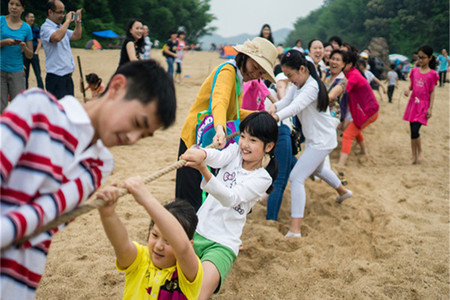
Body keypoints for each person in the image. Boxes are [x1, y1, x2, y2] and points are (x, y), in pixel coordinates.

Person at [0, 59, 177, 300]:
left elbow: (47, 218)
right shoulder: (38, 107)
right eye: (137, 123)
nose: (133, 139)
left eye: (143, 136)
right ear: (116, 87)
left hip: (19, 278)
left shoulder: (100, 164)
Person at [180, 111, 278, 299]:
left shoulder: (262, 178)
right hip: (196, 231)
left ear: (269, 146)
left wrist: (203, 169)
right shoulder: (234, 153)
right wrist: (201, 153)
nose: (244, 144)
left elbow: (231, 198)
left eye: (253, 140)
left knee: (198, 295)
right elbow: (216, 157)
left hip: (223, 245)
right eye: (243, 136)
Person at [175, 37, 278, 212]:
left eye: (261, 73)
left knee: (200, 196)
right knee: (189, 201)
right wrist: (220, 128)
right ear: (245, 58)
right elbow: (219, 102)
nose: (255, 74)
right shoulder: (228, 72)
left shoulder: (238, 79)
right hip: (198, 139)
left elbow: (234, 114)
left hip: (212, 139)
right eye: (255, 67)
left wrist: (259, 115)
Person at [267, 50, 352, 237]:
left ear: (303, 69)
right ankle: (343, 191)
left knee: (296, 177)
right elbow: (287, 101)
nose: (290, 80)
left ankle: (295, 230)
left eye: (290, 75)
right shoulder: (298, 85)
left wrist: (275, 116)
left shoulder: (312, 87)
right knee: (320, 170)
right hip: (318, 138)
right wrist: (274, 106)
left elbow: (296, 107)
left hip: (322, 140)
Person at [97, 178, 202, 299]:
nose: (158, 246)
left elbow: (183, 249)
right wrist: (108, 214)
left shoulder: (188, 275)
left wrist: (147, 199)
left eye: (168, 241)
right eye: (155, 235)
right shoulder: (140, 259)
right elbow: (122, 245)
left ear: (191, 244)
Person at [337, 50, 379, 166]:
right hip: (364, 111)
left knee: (347, 135)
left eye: (341, 61)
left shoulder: (353, 76)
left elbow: (343, 92)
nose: (338, 64)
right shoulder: (351, 73)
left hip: (369, 112)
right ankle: (364, 152)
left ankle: (341, 164)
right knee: (356, 128)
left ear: (349, 64)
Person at [403, 45, 439, 164]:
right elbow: (412, 86)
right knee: (411, 130)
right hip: (413, 103)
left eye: (423, 58)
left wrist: (430, 108)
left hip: (423, 105)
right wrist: (407, 89)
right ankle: (414, 156)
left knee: (415, 130)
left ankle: (420, 151)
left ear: (429, 58)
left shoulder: (433, 74)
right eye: (419, 57)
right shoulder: (414, 71)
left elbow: (432, 91)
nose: (420, 60)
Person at [40, 0, 82, 100]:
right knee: (58, 111)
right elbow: (56, 37)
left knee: (68, 110)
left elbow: (76, 35)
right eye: (59, 12)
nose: (62, 15)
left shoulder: (60, 28)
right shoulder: (46, 27)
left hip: (67, 77)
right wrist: (67, 21)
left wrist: (78, 22)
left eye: (63, 12)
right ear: (50, 12)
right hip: (56, 77)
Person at [0, 0, 33, 113]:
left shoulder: (27, 28)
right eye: (11, 4)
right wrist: (4, 42)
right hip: (0, 69)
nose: (14, 7)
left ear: (23, 8)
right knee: (1, 107)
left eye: (17, 5)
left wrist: (24, 48)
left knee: (18, 108)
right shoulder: (0, 21)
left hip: (17, 72)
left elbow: (30, 55)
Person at [23, 12, 44, 89]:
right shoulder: (22, 28)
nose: (33, 19)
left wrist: (36, 52)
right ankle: (25, 91)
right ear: (26, 18)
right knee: (25, 75)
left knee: (38, 74)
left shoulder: (36, 29)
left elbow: (39, 42)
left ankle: (41, 90)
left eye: (33, 17)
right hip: (25, 54)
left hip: (34, 54)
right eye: (31, 17)